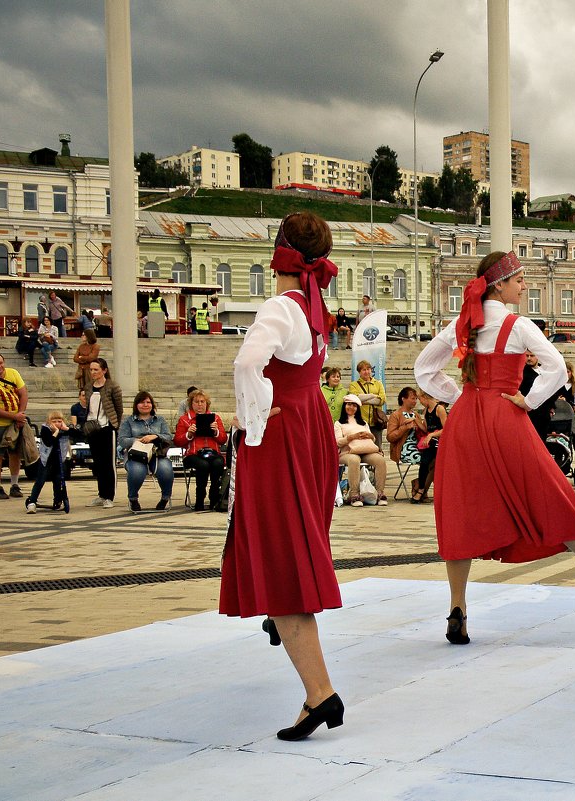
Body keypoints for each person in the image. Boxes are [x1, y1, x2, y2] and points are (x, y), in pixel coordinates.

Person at [415, 250, 575, 645]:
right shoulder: (519, 325)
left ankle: (458, 609)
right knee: (550, 491)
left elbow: (423, 368)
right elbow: (555, 366)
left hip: (467, 418)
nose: (525, 285)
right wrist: (530, 400)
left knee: (461, 510)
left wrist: (456, 396)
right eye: (519, 279)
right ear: (500, 284)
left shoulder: (463, 321)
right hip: (505, 417)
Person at [222, 210, 344, 742]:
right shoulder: (313, 308)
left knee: (281, 554)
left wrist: (254, 415)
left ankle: (320, 694)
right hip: (309, 423)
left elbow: (248, 363)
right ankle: (282, 624)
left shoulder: (280, 305)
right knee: (296, 536)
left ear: (280, 252)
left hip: (282, 432)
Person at [118, 390, 174, 513]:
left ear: (152, 405)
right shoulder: (128, 421)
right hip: (136, 454)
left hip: (157, 454)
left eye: (148, 402)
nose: (145, 405)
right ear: (136, 405)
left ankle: (165, 497)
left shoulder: (160, 420)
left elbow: (168, 437)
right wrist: (138, 440)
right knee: (137, 471)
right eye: (142, 402)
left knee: (166, 469)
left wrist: (155, 436)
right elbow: (122, 440)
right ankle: (133, 498)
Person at [0, 353, 29, 499]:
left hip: (16, 421)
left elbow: (23, 394)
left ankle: (14, 484)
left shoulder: (13, 373)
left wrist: (20, 414)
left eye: (0, 362)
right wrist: (15, 416)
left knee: (15, 454)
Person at [175, 389, 228, 511]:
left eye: (202, 401)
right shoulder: (184, 419)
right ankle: (200, 498)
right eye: (196, 402)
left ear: (207, 403)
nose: (199, 404)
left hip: (212, 453)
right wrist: (189, 434)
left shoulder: (215, 418)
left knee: (218, 462)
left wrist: (215, 431)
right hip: (192, 454)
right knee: (203, 465)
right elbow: (177, 441)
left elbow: (223, 439)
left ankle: (214, 496)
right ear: (191, 404)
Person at [84, 357, 123, 508]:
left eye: (96, 369)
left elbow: (119, 408)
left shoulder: (112, 386)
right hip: (92, 427)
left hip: (107, 428)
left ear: (104, 370)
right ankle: (101, 494)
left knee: (109, 463)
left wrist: (115, 425)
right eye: (91, 369)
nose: (93, 372)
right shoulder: (88, 387)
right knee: (98, 463)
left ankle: (109, 495)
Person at [335, 394, 388, 507]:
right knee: (354, 460)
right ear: (344, 406)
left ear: (358, 408)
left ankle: (380, 493)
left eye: (354, 406)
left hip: (365, 450)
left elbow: (372, 439)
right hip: (347, 452)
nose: (351, 408)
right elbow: (338, 442)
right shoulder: (339, 423)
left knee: (380, 460)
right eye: (349, 405)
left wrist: (368, 435)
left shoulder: (363, 422)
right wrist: (351, 437)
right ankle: (354, 494)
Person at [25, 411, 70, 514]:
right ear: (49, 422)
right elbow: (49, 442)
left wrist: (66, 429)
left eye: (59, 421)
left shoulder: (64, 430)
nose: (57, 423)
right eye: (54, 421)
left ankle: (58, 500)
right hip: (46, 459)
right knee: (40, 480)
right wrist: (55, 432)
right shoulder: (45, 429)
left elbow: (77, 434)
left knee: (58, 480)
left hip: (58, 459)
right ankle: (32, 502)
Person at [411, 390, 446, 503]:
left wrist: (432, 435)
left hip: (439, 440)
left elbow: (446, 429)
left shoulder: (439, 409)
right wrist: (416, 421)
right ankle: (421, 489)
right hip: (430, 441)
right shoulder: (426, 410)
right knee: (425, 463)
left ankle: (421, 489)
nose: (419, 402)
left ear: (425, 397)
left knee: (429, 462)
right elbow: (426, 428)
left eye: (420, 399)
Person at [348, 360, 387, 446]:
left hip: (376, 421)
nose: (367, 372)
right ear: (359, 372)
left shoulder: (378, 384)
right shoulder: (354, 385)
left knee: (377, 447)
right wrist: (373, 395)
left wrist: (363, 400)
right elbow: (355, 398)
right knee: (361, 446)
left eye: (368, 369)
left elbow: (382, 400)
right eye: (364, 370)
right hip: (360, 422)